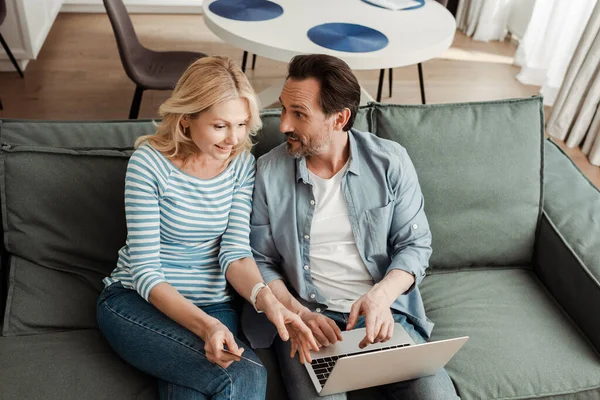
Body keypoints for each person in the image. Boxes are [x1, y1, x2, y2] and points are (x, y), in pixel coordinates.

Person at [97, 56, 318, 400]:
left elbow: (234, 252)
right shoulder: (149, 165)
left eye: (242, 124)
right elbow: (144, 271)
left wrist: (265, 299)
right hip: (136, 302)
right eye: (220, 126)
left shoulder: (241, 164)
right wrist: (207, 327)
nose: (234, 138)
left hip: (213, 305)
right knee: (243, 375)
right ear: (187, 120)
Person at [244, 54, 460, 400]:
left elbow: (415, 246)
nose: (283, 124)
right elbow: (259, 260)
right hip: (309, 322)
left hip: (384, 314)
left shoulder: (390, 162)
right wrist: (295, 313)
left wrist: (381, 296)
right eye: (284, 109)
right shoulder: (268, 173)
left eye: (299, 114)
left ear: (339, 119)